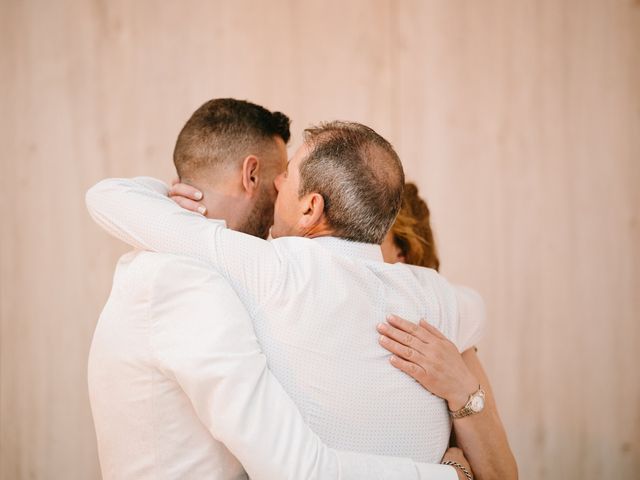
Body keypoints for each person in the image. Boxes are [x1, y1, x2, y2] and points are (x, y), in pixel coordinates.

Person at [85, 110, 506, 478]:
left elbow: (107, 197)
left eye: (290, 175)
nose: (278, 181)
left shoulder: (269, 270)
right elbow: (478, 310)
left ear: (311, 208)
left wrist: (171, 196)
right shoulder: (439, 296)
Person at [377, 183, 518, 479]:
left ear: (402, 252)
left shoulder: (444, 331)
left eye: (371, 233)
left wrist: (461, 388)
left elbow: (503, 474)